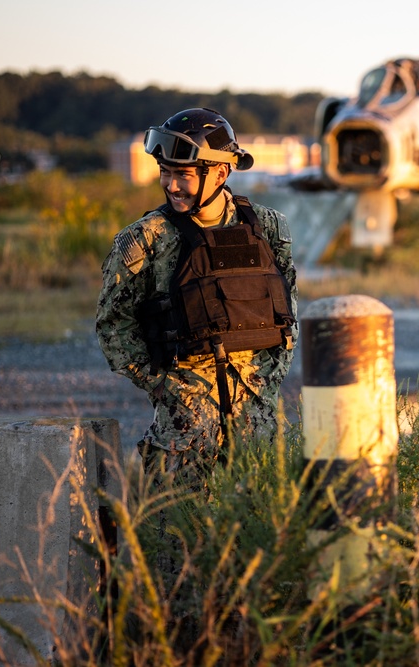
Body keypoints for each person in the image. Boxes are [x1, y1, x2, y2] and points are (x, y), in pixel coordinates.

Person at [96, 108, 298, 487]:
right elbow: (113, 325)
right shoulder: (145, 238)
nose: (171, 186)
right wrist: (163, 386)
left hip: (258, 420)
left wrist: (268, 378)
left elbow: (288, 312)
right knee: (174, 538)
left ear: (221, 173)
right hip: (184, 428)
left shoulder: (268, 227)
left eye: (183, 175)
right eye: (165, 172)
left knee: (258, 534)